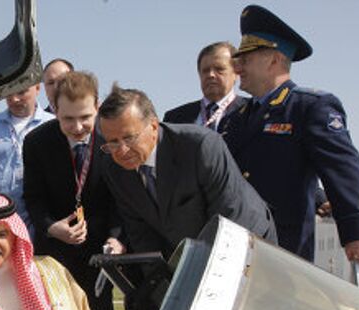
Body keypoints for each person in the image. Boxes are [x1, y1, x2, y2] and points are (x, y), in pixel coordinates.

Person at [223, 4, 359, 270]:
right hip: (236, 249)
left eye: (245, 59)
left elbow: (342, 169)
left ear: (273, 60)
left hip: (285, 251)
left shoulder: (310, 107)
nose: (238, 69)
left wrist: (357, 232)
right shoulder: (236, 118)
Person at [97, 84, 276, 258]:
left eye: (129, 138)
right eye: (112, 142)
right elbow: (141, 234)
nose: (121, 151)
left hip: (247, 243)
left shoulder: (199, 147)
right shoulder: (114, 168)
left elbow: (230, 218)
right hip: (190, 250)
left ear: (153, 126)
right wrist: (159, 282)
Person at [23, 71, 117, 310]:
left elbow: (123, 197)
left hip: (101, 251)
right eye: (68, 119)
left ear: (97, 107)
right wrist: (52, 228)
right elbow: (33, 197)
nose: (77, 127)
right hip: (55, 252)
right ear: (54, 110)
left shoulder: (112, 136)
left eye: (85, 118)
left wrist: (115, 237)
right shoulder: (36, 142)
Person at [0, 85, 53, 236]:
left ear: (37, 88)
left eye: (21, 91)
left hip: (37, 220)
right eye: (8, 93)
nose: (14, 99)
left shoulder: (52, 125)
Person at [163, 42, 247, 132]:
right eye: (205, 70)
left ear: (236, 73)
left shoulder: (251, 111)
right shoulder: (174, 118)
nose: (211, 75)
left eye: (219, 69)